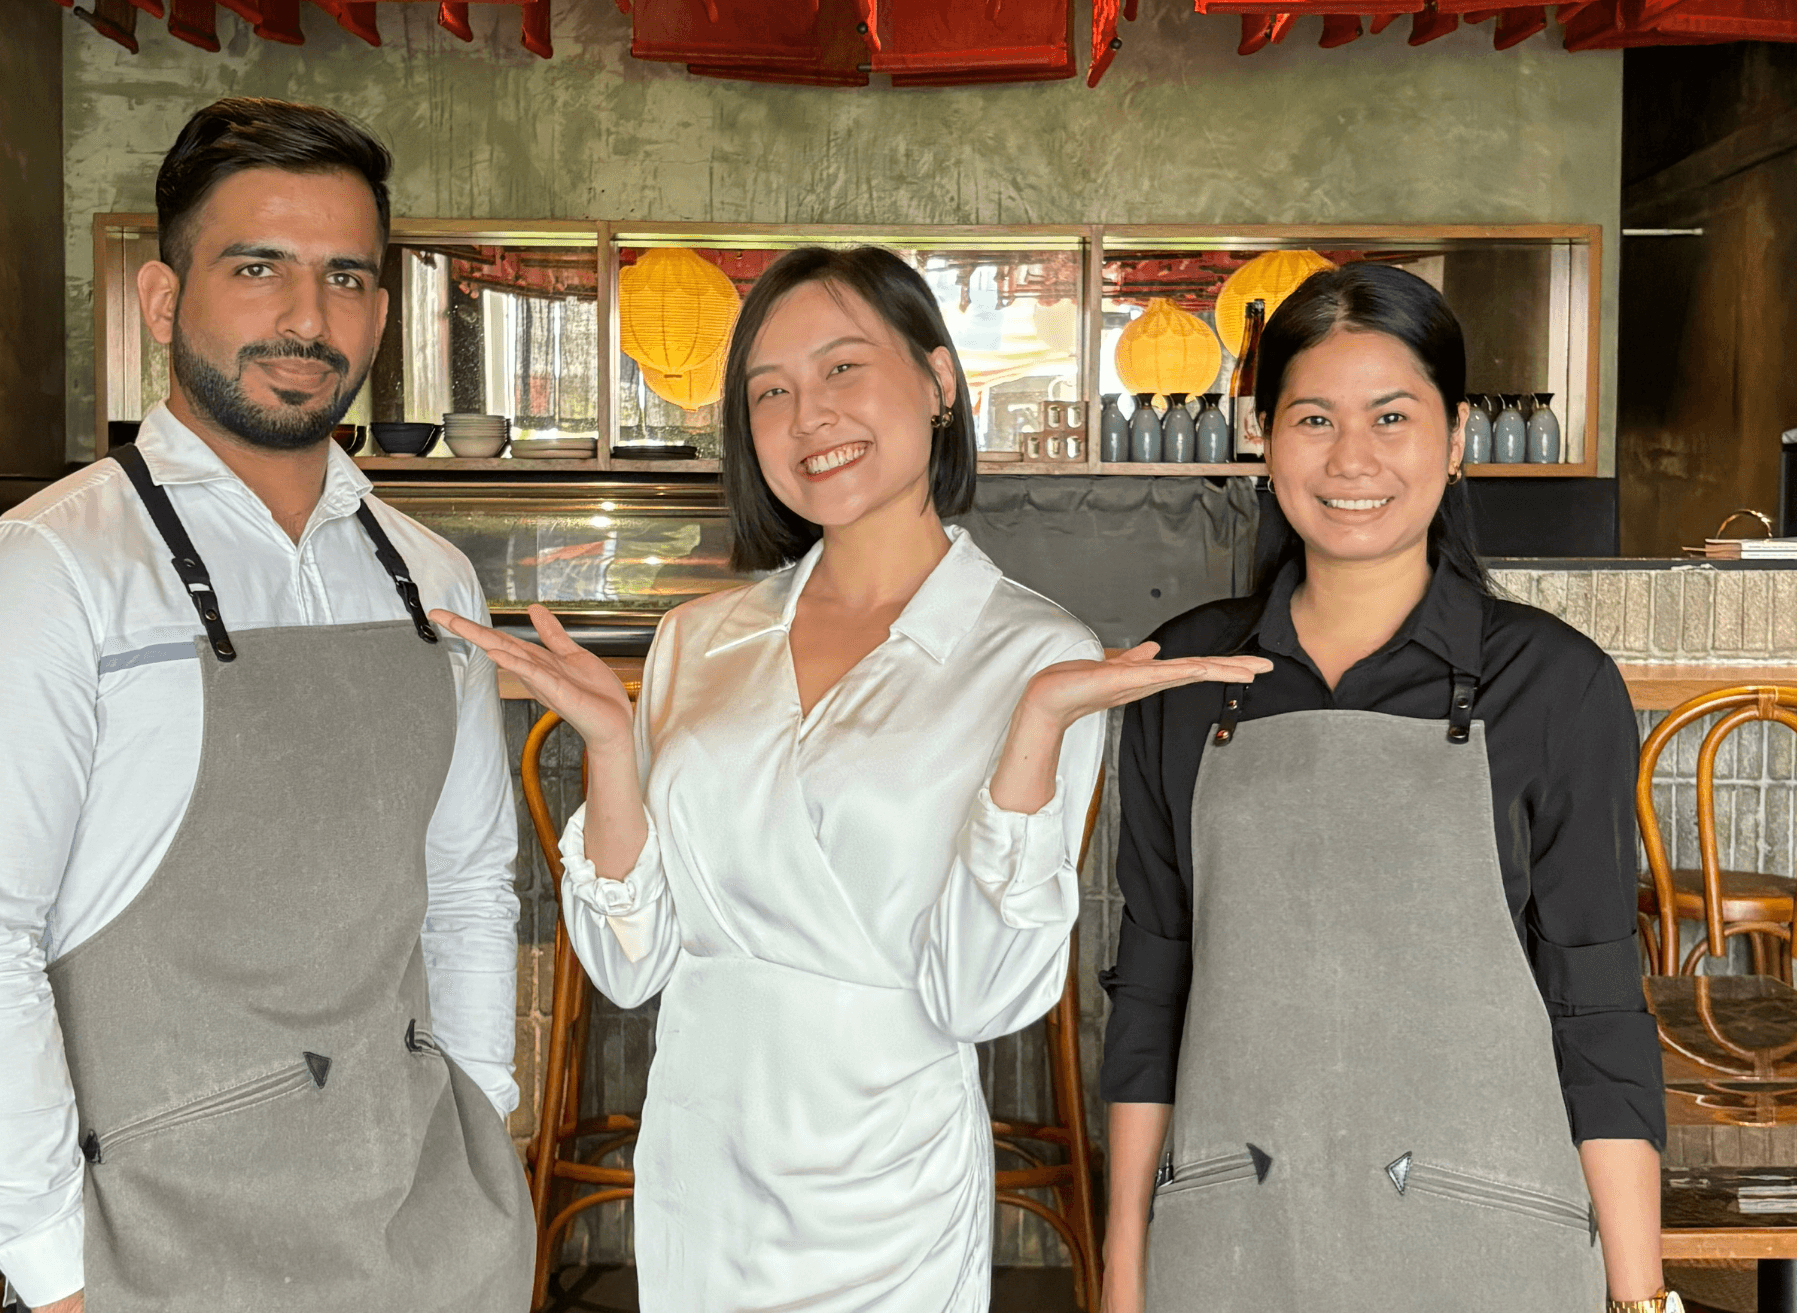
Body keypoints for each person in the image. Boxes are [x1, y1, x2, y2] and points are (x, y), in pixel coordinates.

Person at [435, 246, 1268, 1310]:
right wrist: (610, 742)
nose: (807, 416)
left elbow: (982, 996)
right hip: (701, 1163)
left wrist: (1030, 732)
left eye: (841, 368)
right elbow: (630, 965)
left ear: (938, 379)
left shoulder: (1033, 655)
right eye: (769, 391)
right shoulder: (698, 636)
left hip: (891, 1182)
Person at [0, 98, 533, 1313]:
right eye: (256, 268)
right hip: (155, 1251)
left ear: (381, 312)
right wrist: (53, 1269)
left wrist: (480, 1117)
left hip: (424, 1236)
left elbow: (465, 885)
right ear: (160, 299)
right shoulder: (49, 571)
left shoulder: (431, 578)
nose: (308, 317)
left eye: (347, 277)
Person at [1098, 263, 1672, 1313]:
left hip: (1491, 1252)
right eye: (1313, 418)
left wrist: (1640, 1300)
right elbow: (1152, 990)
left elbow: (1595, 1007)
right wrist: (1125, 1274)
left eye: (1392, 417)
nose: (1350, 458)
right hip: (1232, 1249)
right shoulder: (1186, 677)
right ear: (1260, 434)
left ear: (1455, 439)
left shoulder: (1553, 683)